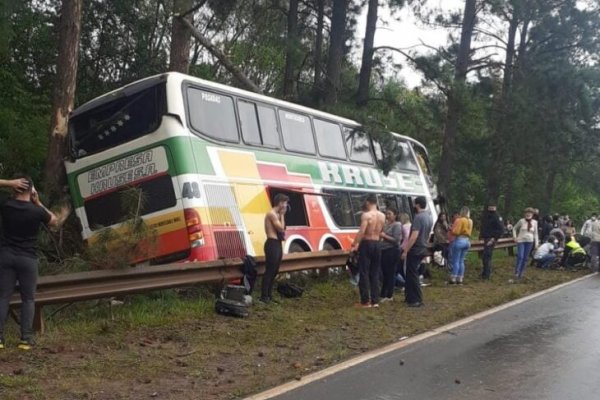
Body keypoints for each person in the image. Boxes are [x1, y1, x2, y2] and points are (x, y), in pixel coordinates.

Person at [0, 176, 68, 350]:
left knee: (3, 297)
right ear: (31, 191)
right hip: (28, 258)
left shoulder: (6, 206)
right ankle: (25, 339)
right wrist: (38, 203)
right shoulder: (36, 211)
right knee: (28, 299)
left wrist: (8, 182)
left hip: (6, 256)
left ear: (15, 189)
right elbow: (55, 221)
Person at [351, 195, 385, 308]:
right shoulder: (382, 216)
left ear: (368, 202)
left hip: (367, 243)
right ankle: (375, 300)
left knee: (364, 272)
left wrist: (355, 244)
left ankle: (365, 301)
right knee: (375, 272)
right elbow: (381, 231)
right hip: (377, 243)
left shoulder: (366, 215)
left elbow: (362, 231)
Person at [401, 196, 433, 307]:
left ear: (418, 205)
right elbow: (428, 234)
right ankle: (409, 297)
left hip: (415, 249)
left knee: (412, 273)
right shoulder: (429, 217)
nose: (413, 206)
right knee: (411, 273)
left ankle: (417, 299)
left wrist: (406, 250)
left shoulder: (418, 217)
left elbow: (414, 236)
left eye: (415, 204)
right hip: (423, 247)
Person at [260, 193, 289, 303]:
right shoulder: (271, 214)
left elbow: (283, 227)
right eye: (285, 203)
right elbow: (281, 228)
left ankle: (269, 295)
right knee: (270, 270)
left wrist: (282, 215)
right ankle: (264, 296)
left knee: (275, 270)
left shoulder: (277, 214)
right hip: (271, 243)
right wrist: (282, 215)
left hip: (277, 243)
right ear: (280, 203)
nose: (286, 205)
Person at [379, 207, 402, 302]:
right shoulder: (386, 224)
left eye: (389, 214)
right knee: (385, 273)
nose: (387, 216)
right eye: (386, 214)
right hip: (383, 250)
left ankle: (389, 295)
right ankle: (383, 293)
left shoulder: (397, 225)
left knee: (391, 273)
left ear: (395, 215)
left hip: (392, 251)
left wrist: (384, 236)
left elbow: (396, 240)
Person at [512, 207, 539, 280]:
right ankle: (517, 272)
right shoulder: (521, 221)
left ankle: (521, 273)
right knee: (520, 256)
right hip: (521, 240)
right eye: (527, 213)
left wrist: (536, 243)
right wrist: (515, 237)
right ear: (524, 214)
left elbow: (536, 233)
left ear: (532, 214)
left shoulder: (535, 222)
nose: (528, 214)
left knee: (525, 258)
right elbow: (514, 228)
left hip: (530, 241)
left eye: (530, 213)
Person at [479, 203, 504, 280]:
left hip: (491, 238)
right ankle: (485, 273)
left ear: (495, 208)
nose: (491, 209)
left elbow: (501, 229)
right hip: (485, 238)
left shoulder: (497, 217)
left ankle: (486, 275)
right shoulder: (486, 216)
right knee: (484, 257)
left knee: (487, 256)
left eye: (492, 207)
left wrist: (494, 239)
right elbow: (483, 227)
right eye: (490, 207)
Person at [449, 206, 473, 284]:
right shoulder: (470, 221)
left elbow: (456, 231)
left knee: (456, 260)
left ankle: (453, 277)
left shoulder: (460, 220)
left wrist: (452, 229)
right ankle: (460, 278)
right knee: (461, 260)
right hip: (467, 241)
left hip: (459, 240)